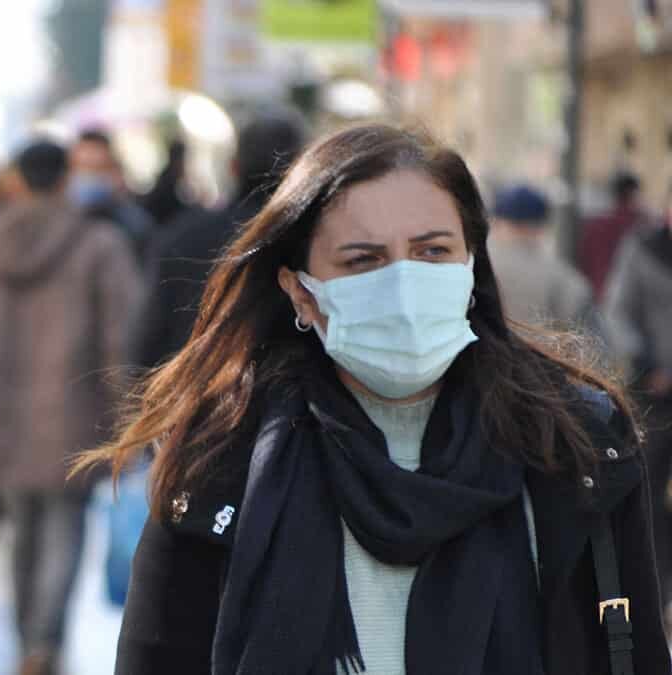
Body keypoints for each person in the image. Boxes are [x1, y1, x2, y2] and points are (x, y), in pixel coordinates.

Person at [76, 125, 670, 675]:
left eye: (432, 251)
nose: (404, 284)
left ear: (469, 266)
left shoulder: (574, 445)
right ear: (300, 293)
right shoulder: (220, 458)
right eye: (363, 260)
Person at [0, 140, 144, 675]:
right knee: (64, 528)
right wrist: (129, 416)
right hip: (69, 411)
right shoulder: (99, 244)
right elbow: (122, 338)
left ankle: (27, 634)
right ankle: (43, 642)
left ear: (17, 180)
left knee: (19, 529)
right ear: (64, 179)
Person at [139, 112, 307, 369]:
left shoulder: (183, 235)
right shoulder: (314, 242)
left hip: (192, 394)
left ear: (234, 166)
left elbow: (150, 338)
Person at [604, 183, 672, 624]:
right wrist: (646, 363)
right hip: (655, 396)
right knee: (646, 496)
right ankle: (655, 594)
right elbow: (617, 313)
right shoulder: (641, 251)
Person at [488, 183, 595, 328]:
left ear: (496, 222)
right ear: (541, 227)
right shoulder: (562, 277)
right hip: (539, 349)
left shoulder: (475, 265)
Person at [68, 129, 154, 262]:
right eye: (84, 169)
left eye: (99, 170)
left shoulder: (131, 218)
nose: (91, 179)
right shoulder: (59, 218)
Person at [580, 171, 649, 302]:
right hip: (631, 303)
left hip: (597, 296)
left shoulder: (593, 225)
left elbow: (583, 263)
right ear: (634, 194)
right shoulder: (644, 225)